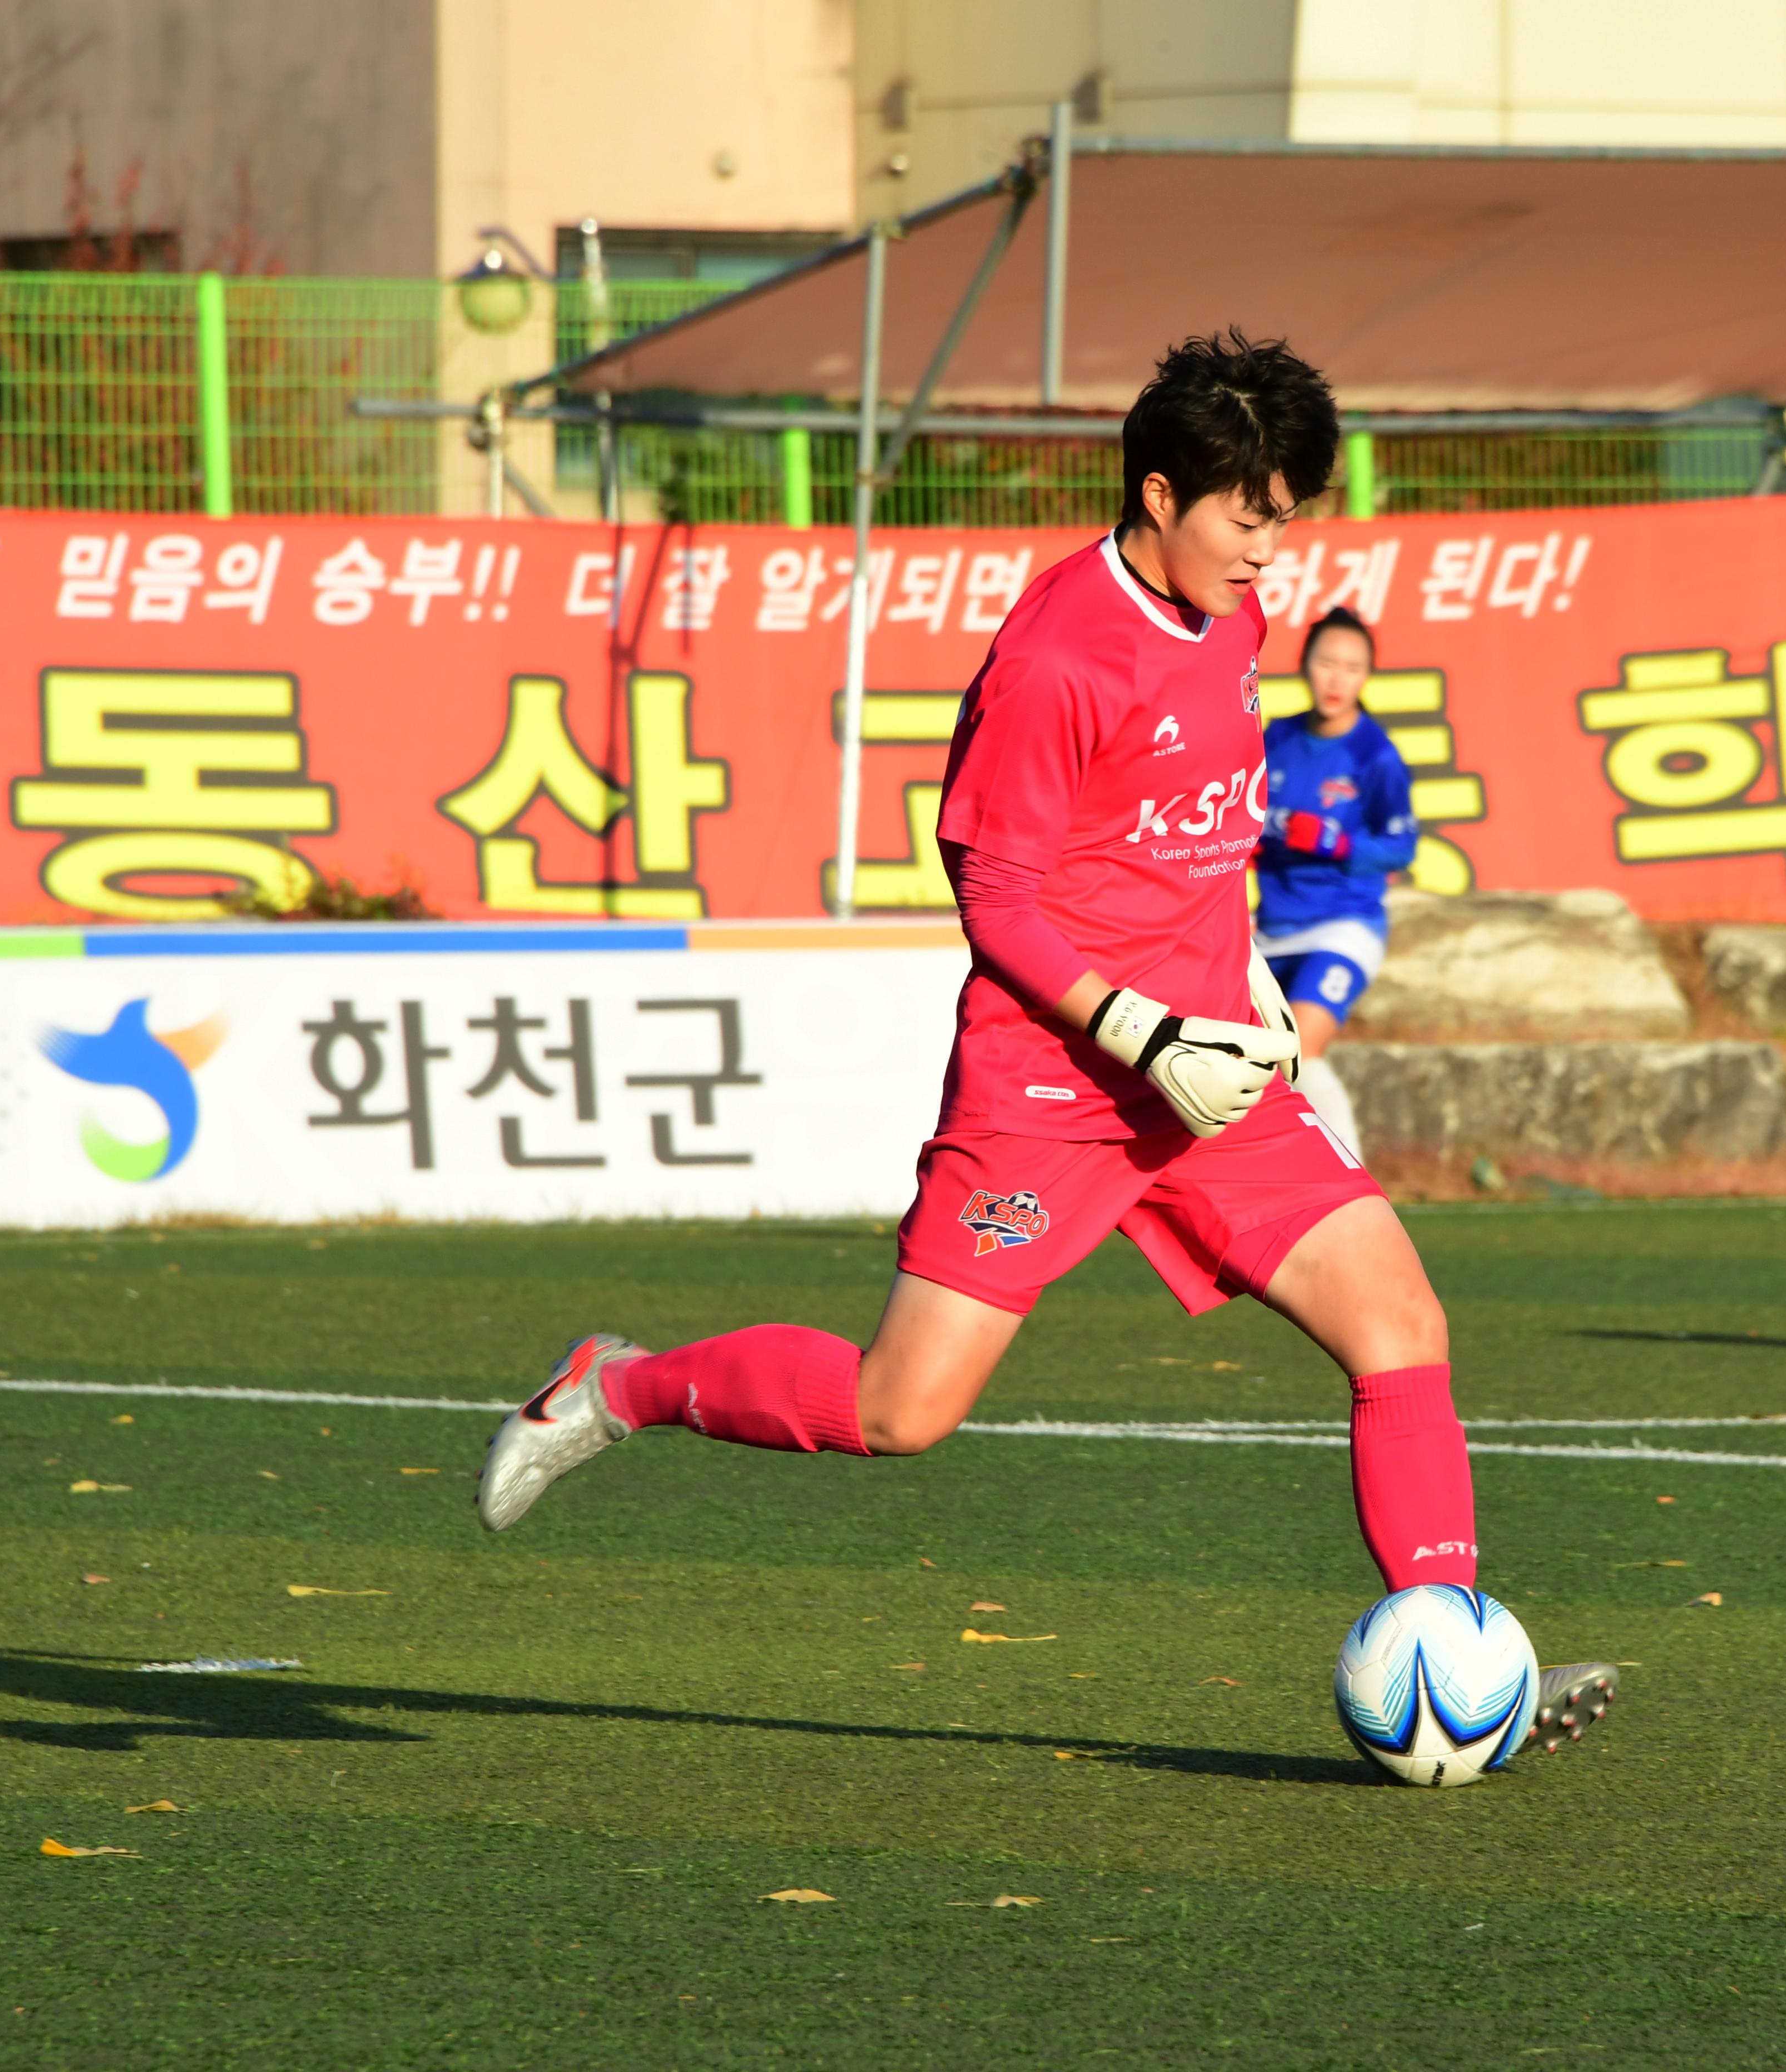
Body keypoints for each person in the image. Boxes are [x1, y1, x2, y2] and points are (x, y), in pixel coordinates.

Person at [471, 330, 1613, 1757]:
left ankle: (1453, 1647)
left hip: (1209, 1079)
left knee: (1400, 1326)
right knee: (902, 1412)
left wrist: (1240, 986)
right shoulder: (1057, 653)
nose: (1273, 548)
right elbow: (995, 896)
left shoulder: (1232, 615)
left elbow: (1185, 838)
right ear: (1156, 495)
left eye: (1289, 515)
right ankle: (612, 1385)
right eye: (1249, 515)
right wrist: (1136, 1024)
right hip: (1056, 1084)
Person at [1253, 606, 1413, 1159]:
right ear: (1303, 665)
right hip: (1269, 931)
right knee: (1247, 1066)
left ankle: (1354, 1186)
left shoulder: (1376, 756)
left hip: (1343, 927)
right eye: (1327, 663)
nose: (1337, 678)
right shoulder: (1279, 736)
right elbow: (1242, 817)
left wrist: (1337, 843)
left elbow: (1402, 846)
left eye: (1352, 667)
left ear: (1367, 676)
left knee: (1296, 1053)